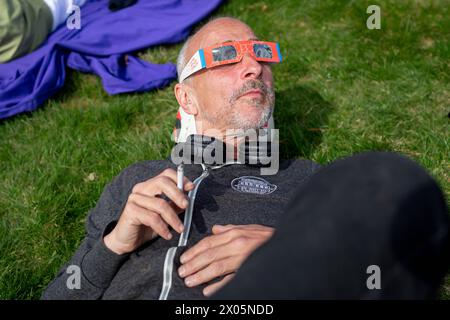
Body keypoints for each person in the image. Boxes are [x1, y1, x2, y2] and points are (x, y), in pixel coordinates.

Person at [41, 17, 450, 300]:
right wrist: (113, 244)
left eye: (259, 54)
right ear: (187, 97)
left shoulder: (308, 181)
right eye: (225, 57)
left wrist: (292, 251)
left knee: (396, 181)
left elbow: (382, 280)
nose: (254, 66)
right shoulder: (137, 182)